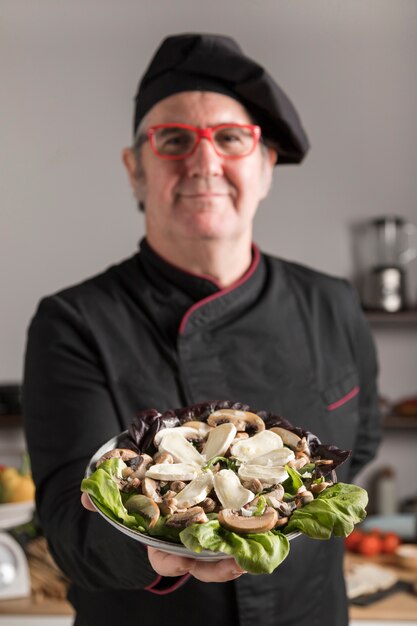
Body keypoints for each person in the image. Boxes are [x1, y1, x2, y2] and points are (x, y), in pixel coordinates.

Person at [23, 33, 381, 626]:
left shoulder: (332, 303)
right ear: (135, 169)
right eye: (174, 140)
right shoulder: (73, 322)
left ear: (266, 167)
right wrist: (165, 546)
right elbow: (68, 527)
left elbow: (357, 447)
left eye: (231, 139)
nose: (204, 161)